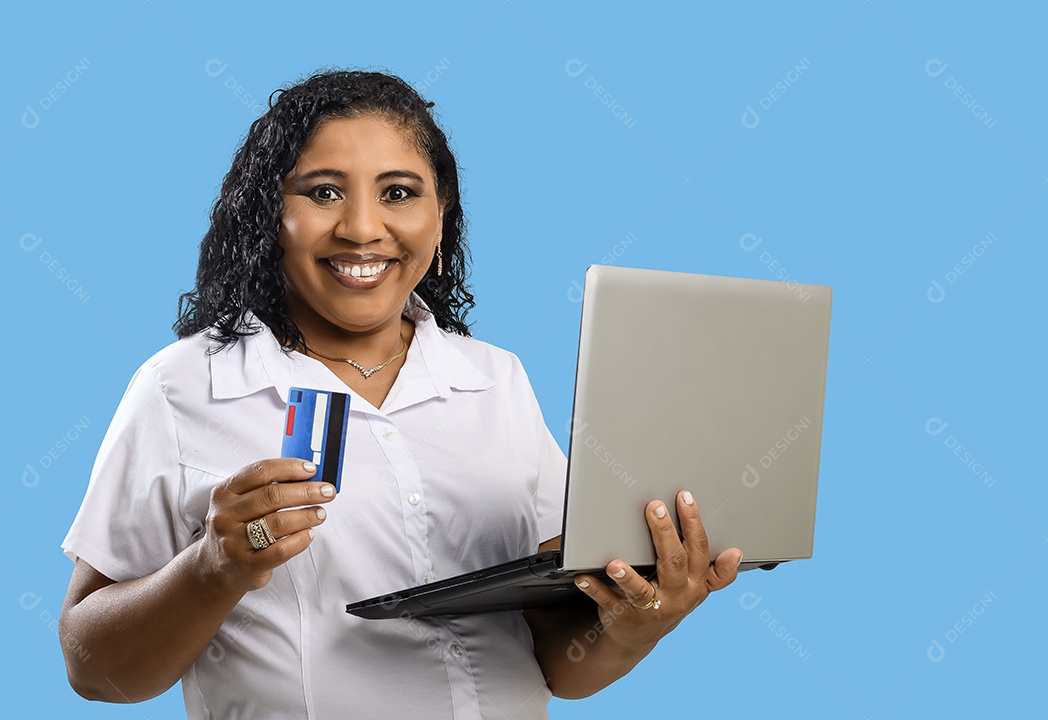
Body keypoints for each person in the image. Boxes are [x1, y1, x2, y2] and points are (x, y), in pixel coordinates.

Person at [59, 69, 743, 719]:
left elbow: (556, 665)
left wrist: (635, 625)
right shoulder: (183, 388)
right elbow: (92, 668)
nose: (361, 228)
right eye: (323, 191)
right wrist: (213, 567)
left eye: (398, 192)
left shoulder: (495, 380)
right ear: (269, 215)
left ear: (442, 215)